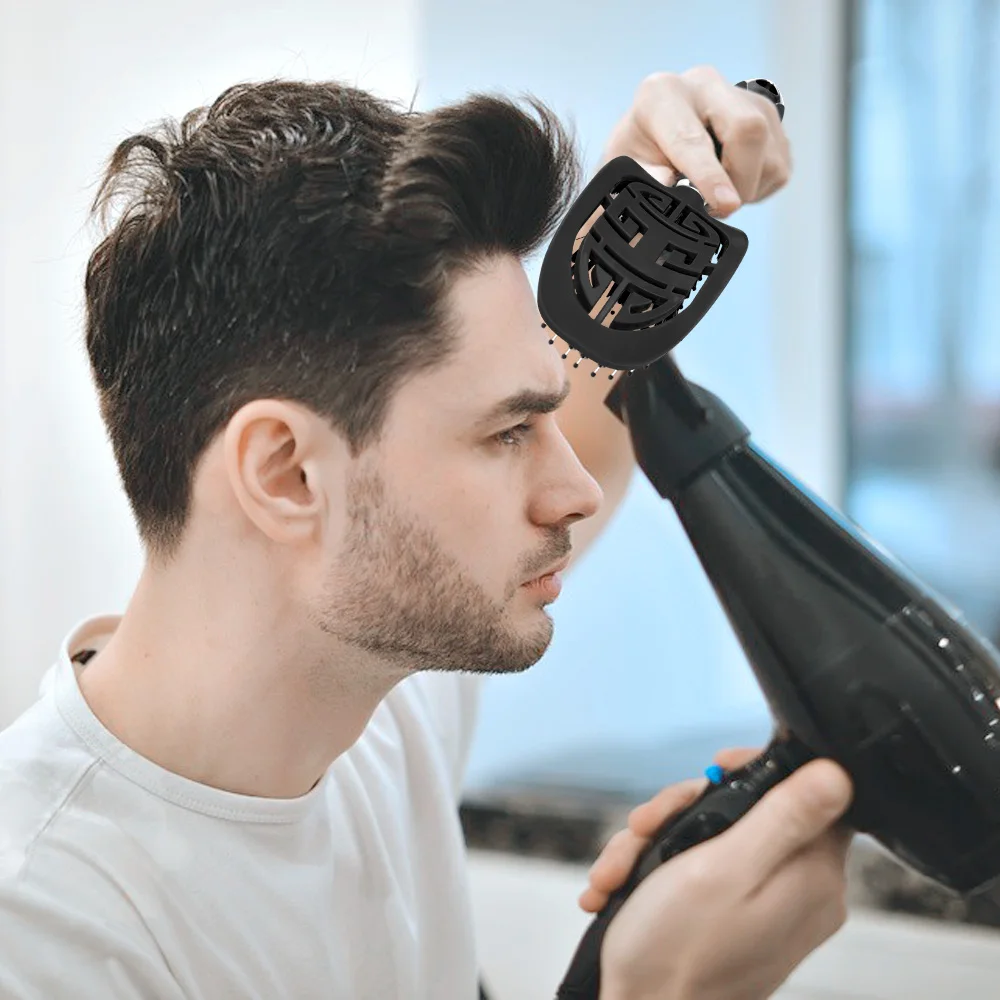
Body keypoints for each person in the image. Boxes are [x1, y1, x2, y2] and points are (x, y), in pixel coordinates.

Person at [0, 66, 853, 999]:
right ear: (287, 474)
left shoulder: (375, 698)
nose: (574, 490)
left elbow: (589, 399)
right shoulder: (44, 930)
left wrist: (654, 189)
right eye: (508, 433)